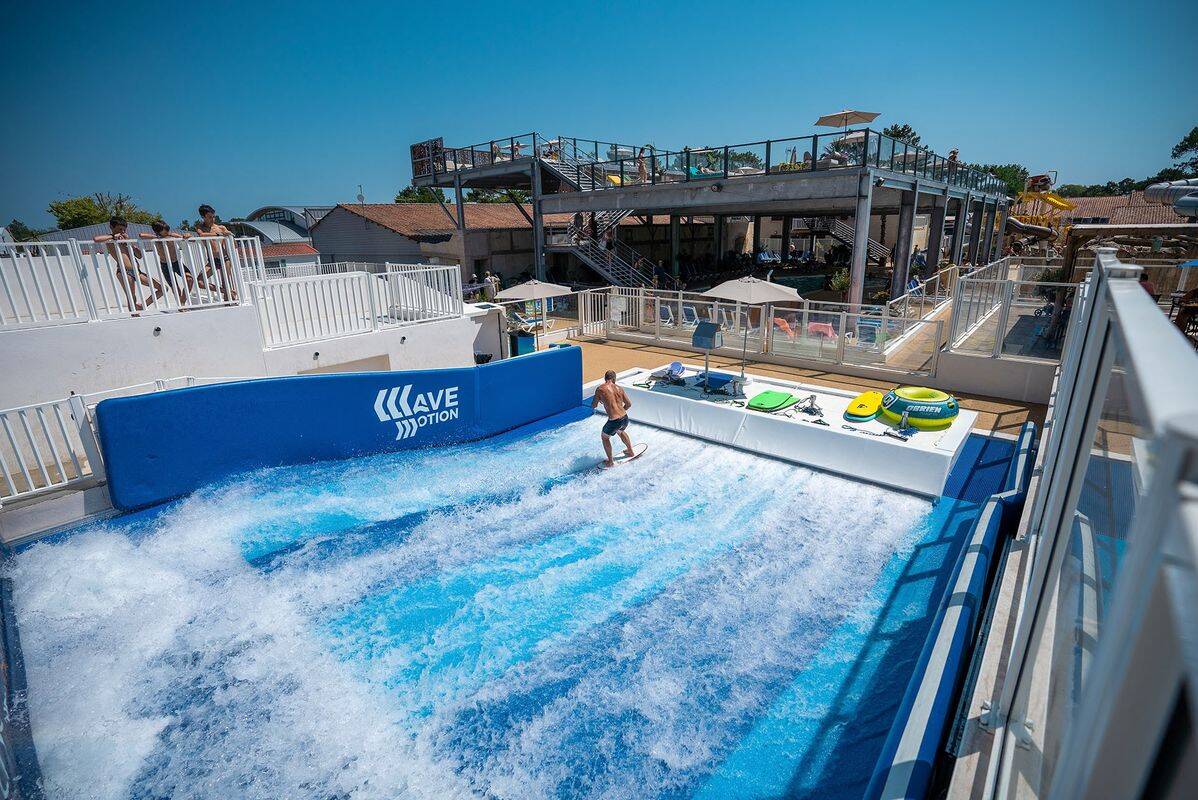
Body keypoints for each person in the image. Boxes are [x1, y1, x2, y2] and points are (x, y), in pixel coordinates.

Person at [94, 216, 164, 312]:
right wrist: (113, 236)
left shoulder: (126, 240)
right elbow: (96, 239)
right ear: (111, 227)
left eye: (124, 229)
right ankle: (134, 314)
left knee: (162, 288)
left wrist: (129, 243)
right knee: (131, 296)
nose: (122, 232)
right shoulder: (109, 240)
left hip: (137, 271)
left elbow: (139, 255)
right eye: (120, 229)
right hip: (124, 271)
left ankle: (142, 306)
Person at [591, 370, 635, 467]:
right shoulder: (619, 388)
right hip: (624, 418)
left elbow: (593, 405)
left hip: (614, 421)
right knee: (620, 431)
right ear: (614, 378)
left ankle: (610, 461)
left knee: (605, 437)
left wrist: (601, 400)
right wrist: (620, 412)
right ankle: (630, 451)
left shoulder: (600, 389)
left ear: (605, 378)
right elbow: (628, 404)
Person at [194, 204, 236, 300]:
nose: (212, 219)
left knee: (226, 282)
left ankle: (230, 300)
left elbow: (233, 244)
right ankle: (226, 291)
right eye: (209, 217)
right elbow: (201, 235)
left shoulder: (221, 228)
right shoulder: (200, 228)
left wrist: (230, 235)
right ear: (203, 217)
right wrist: (218, 234)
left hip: (224, 258)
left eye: (213, 216)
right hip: (212, 259)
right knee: (200, 282)